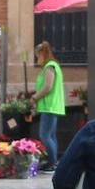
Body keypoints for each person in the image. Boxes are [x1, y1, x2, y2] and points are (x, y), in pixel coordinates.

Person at [29, 41, 65, 171]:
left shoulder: (50, 66)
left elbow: (47, 87)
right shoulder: (53, 65)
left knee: (45, 135)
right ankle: (53, 161)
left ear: (42, 54)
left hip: (49, 106)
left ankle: (53, 163)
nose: (37, 59)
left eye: (37, 55)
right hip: (52, 106)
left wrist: (35, 97)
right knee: (51, 136)